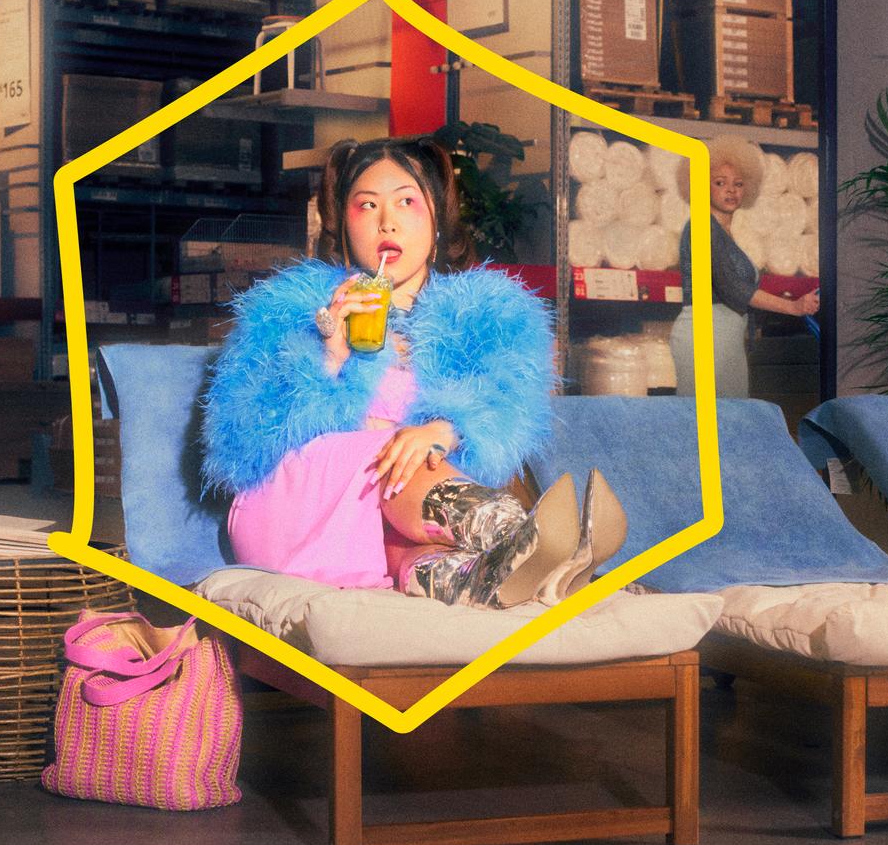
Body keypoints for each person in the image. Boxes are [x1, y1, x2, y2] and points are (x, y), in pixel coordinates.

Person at [200, 135, 627, 610]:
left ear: (436, 220)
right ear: (344, 225)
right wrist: (329, 356)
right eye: (367, 205)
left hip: (397, 529)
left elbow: (508, 410)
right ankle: (515, 532)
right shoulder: (291, 309)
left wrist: (445, 429)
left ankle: (505, 576)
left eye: (406, 201)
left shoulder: (484, 318)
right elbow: (238, 444)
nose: (387, 221)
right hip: (294, 513)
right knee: (397, 450)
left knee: (413, 544)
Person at [669, 137, 820, 398]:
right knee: (707, 417)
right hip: (705, 337)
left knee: (729, 415)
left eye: (738, 184)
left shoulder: (722, 232)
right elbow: (735, 289)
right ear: (700, 185)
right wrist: (793, 307)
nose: (731, 190)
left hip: (723, 338)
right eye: (720, 183)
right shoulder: (702, 228)